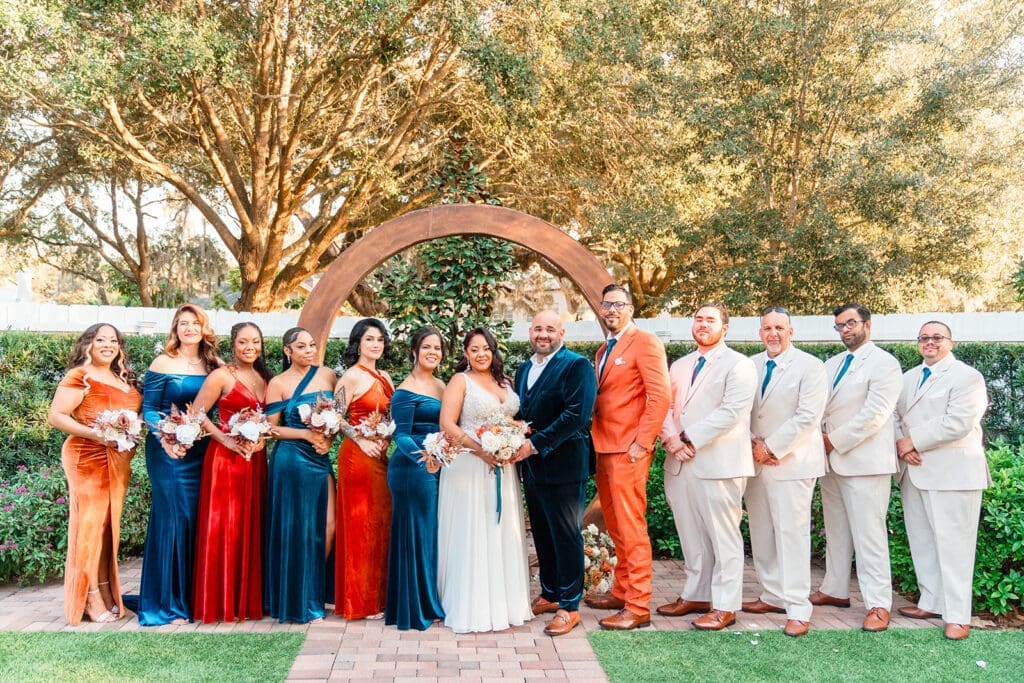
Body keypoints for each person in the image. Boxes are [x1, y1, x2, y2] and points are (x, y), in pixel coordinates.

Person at [657, 302, 757, 631]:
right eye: (698, 318)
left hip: (719, 464)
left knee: (723, 536)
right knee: (690, 534)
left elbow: (731, 412)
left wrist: (687, 438)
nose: (702, 324)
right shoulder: (680, 365)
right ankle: (697, 593)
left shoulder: (739, 365)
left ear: (724, 327)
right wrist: (671, 439)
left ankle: (725, 604)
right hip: (679, 463)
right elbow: (665, 406)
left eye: (710, 320)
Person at [895, 322, 990, 640]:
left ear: (951, 342)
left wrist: (912, 442)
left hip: (953, 473)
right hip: (914, 471)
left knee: (955, 548)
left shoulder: (967, 377)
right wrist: (900, 444)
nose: (929, 342)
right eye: (923, 337)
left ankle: (959, 616)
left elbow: (959, 422)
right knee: (922, 542)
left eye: (937, 337)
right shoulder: (908, 377)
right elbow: (894, 416)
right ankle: (931, 601)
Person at [586, 284, 671, 631]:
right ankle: (621, 590)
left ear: (631, 309)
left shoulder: (646, 342)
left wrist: (642, 442)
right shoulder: (603, 349)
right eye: (606, 304)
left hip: (628, 450)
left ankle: (638, 605)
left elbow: (660, 396)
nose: (611, 310)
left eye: (619, 304)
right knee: (615, 525)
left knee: (632, 527)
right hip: (602, 448)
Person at [437, 327, 533, 633]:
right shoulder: (459, 381)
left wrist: (511, 440)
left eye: (486, 348)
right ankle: (471, 604)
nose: (481, 354)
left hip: (502, 467)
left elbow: (512, 420)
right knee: (473, 531)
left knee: (500, 530)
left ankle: (505, 604)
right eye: (474, 349)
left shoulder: (504, 382)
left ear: (494, 351)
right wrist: (482, 451)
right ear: (465, 353)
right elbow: (447, 425)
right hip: (469, 466)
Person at [813, 303, 902, 632]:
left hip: (864, 461)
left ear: (868, 324)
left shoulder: (885, 363)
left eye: (851, 323)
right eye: (839, 325)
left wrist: (831, 440)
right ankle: (834, 590)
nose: (845, 329)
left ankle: (879, 603)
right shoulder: (832, 364)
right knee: (836, 530)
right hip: (831, 462)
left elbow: (875, 415)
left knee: (870, 535)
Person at [131, 303, 221, 625]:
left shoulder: (214, 365)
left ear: (203, 328)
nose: (189, 329)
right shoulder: (163, 362)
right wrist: (167, 438)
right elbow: (150, 409)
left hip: (201, 451)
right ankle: (168, 603)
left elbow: (216, 411)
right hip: (167, 451)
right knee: (175, 517)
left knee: (197, 518)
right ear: (175, 328)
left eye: (194, 323)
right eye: (183, 323)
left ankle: (195, 596)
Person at [741, 307, 828, 637]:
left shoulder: (810, 366)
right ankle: (772, 594)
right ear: (760, 332)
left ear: (791, 331)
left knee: (791, 535)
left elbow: (808, 416)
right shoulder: (750, 365)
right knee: (761, 532)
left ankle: (797, 607)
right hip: (755, 461)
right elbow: (740, 412)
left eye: (779, 327)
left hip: (791, 462)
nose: (772, 333)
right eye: (766, 328)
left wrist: (772, 447)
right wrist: (753, 445)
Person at [47, 323, 142, 625]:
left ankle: (106, 590)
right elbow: (56, 416)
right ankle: (88, 598)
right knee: (89, 528)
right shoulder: (80, 376)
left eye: (113, 340)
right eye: (101, 339)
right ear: (88, 343)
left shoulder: (120, 377)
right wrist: (97, 435)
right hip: (87, 457)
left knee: (107, 527)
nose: (108, 345)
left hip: (118, 458)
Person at [512, 311, 597, 637]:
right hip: (532, 468)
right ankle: (549, 593)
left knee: (566, 535)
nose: (543, 334)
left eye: (550, 328)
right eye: (537, 329)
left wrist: (534, 444)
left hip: (564, 466)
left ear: (562, 332)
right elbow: (523, 412)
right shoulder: (523, 369)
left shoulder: (577, 365)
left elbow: (576, 415)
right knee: (543, 534)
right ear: (530, 332)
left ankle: (569, 604)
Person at [192, 322, 272, 623]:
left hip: (255, 461)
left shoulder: (266, 377)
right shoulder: (222, 376)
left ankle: (248, 600)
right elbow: (197, 414)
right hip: (225, 461)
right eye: (243, 342)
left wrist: (263, 438)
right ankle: (220, 601)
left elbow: (270, 419)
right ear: (233, 344)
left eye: (255, 341)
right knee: (225, 526)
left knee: (251, 525)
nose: (249, 347)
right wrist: (224, 438)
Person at [264, 327, 337, 623]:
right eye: (302, 346)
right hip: (291, 459)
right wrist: (307, 434)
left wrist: (327, 439)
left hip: (320, 458)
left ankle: (315, 587)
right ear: (287, 351)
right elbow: (271, 428)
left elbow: (337, 417)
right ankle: (300, 598)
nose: (309, 350)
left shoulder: (329, 375)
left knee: (329, 523)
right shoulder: (278, 383)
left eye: (312, 345)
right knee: (297, 529)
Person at [384, 326, 447, 631]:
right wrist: (426, 458)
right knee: (417, 535)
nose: (433, 353)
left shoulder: (440, 384)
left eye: (437, 348)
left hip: (436, 464)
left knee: (429, 534)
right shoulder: (405, 389)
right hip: (412, 468)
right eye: (427, 348)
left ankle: (426, 599)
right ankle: (416, 607)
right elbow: (402, 435)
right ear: (414, 352)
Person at [335, 318, 394, 619]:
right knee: (359, 526)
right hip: (357, 458)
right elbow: (335, 417)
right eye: (370, 339)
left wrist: (385, 438)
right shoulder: (351, 377)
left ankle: (379, 598)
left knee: (381, 524)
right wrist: (360, 440)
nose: (376, 344)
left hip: (381, 458)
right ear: (358, 342)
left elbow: (390, 418)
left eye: (380, 340)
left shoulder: (385, 377)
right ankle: (360, 602)